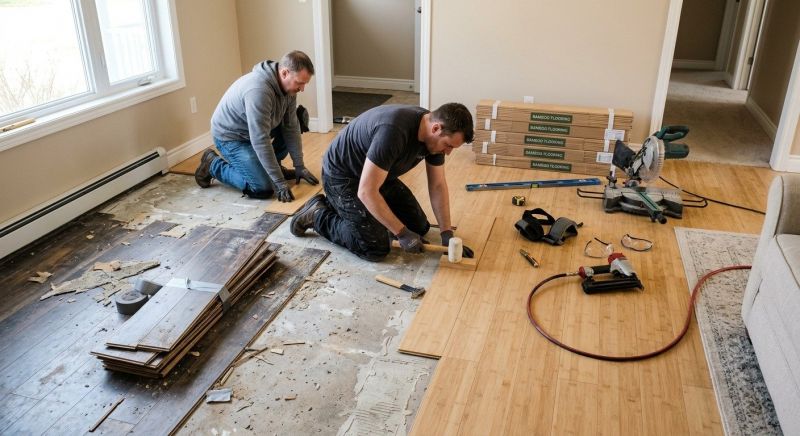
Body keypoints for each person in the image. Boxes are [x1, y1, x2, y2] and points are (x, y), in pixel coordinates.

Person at [289, 102, 475, 262]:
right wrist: (401, 233)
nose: (448, 153)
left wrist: (446, 233)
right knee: (374, 247)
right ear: (436, 129)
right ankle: (318, 214)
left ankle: (352, 212)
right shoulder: (393, 131)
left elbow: (437, 185)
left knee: (419, 227)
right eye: (449, 146)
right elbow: (366, 191)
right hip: (343, 178)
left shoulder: (433, 138)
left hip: (378, 176)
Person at [195, 50, 319, 201]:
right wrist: (279, 181)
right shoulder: (258, 91)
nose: (302, 88)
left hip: (255, 131)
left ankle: (273, 168)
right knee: (262, 188)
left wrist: (299, 165)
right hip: (232, 137)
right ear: (285, 73)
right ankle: (213, 165)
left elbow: (290, 126)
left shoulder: (289, 88)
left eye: (304, 84)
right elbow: (260, 140)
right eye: (300, 83)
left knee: (297, 120)